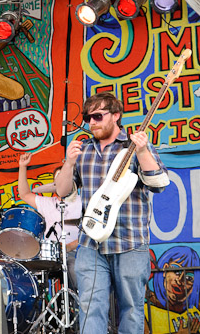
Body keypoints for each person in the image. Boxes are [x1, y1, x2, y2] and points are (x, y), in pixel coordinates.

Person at [54, 92, 170, 334]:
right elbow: (63, 191)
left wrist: (143, 151)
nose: (91, 122)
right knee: (90, 306)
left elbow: (158, 184)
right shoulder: (82, 150)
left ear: (116, 115)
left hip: (130, 241)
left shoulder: (134, 145)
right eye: (88, 117)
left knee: (131, 308)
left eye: (97, 116)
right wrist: (68, 163)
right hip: (91, 243)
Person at [18, 152, 82, 290]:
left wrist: (70, 246)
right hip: (50, 254)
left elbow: (92, 231)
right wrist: (22, 167)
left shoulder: (83, 202)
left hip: (76, 252)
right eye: (58, 178)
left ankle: (79, 306)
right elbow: (24, 194)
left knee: (74, 268)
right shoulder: (46, 203)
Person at [145, 246, 200, 333]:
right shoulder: (145, 312)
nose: (180, 280)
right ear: (165, 270)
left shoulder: (195, 310)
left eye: (189, 277)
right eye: (176, 271)